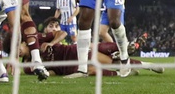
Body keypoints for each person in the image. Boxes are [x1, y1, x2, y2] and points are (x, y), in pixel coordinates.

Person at [13, 18, 163, 77]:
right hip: (67, 68)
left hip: (72, 51)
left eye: (17, 46)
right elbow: (51, 72)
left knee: (104, 57)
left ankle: (141, 62)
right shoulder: (28, 67)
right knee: (93, 69)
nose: (18, 51)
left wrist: (52, 43)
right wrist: (49, 73)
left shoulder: (39, 39)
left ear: (24, 42)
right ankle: (123, 68)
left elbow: (61, 33)